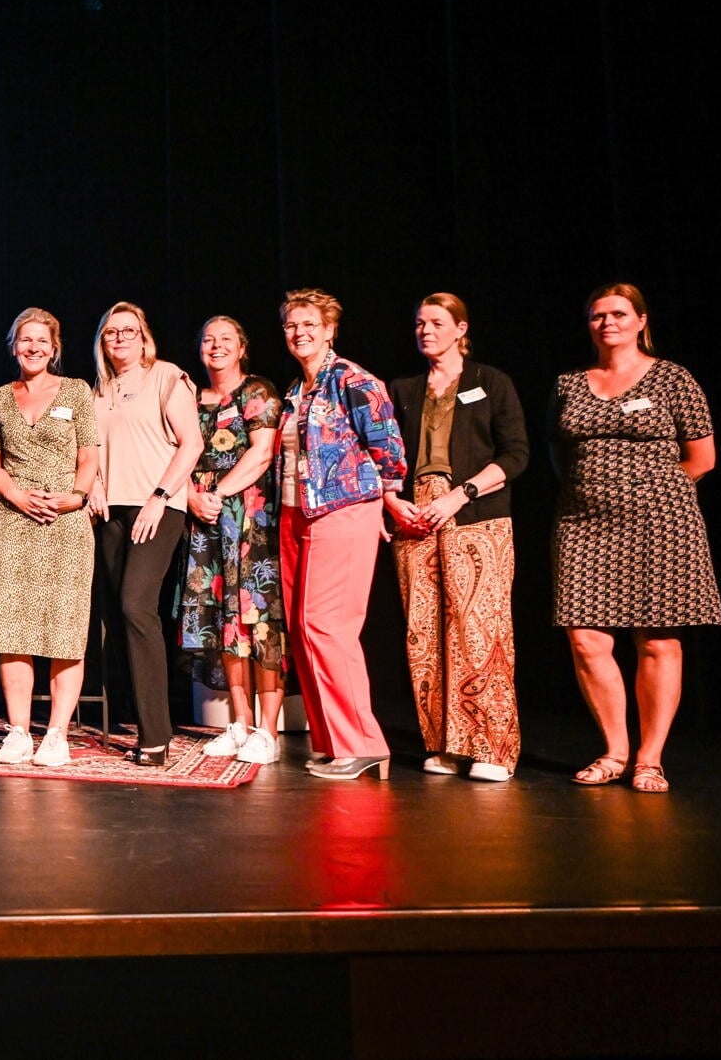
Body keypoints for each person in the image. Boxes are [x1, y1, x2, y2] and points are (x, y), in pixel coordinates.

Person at [552, 282, 719, 793]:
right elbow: (558, 454)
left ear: (641, 321)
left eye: (619, 314)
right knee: (586, 639)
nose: (609, 323)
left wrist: (651, 491)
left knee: (659, 640)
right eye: (598, 315)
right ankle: (615, 750)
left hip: (662, 525)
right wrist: (595, 491)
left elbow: (702, 458)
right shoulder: (569, 383)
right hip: (584, 525)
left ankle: (649, 758)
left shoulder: (674, 379)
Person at [387, 293, 528, 781]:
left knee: (477, 630)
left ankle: (491, 748)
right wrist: (393, 502)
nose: (426, 330)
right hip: (414, 515)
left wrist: (459, 495)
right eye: (419, 323)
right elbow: (380, 457)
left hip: (475, 513)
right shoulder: (402, 389)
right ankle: (445, 744)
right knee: (424, 633)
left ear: (461, 329)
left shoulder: (490, 382)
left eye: (437, 323)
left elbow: (516, 456)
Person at [277, 289, 407, 780]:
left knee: (328, 625)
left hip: (344, 508)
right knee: (302, 628)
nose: (300, 332)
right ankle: (333, 741)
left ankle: (363, 742)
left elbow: (389, 449)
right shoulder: (297, 389)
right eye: (291, 325)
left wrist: (381, 501)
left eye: (309, 323)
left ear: (330, 329)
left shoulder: (353, 380)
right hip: (296, 513)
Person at [0, 308, 100, 767]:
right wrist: (16, 495)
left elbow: (89, 456)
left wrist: (74, 498)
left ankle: (55, 734)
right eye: (24, 340)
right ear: (14, 346)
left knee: (65, 629)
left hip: (66, 522)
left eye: (41, 341)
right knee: (13, 629)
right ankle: (17, 732)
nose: (33, 348)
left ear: (54, 348)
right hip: (12, 521)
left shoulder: (76, 392)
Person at [88, 303, 202, 765]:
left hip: (157, 506)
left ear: (143, 336)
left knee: (137, 605)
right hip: (110, 508)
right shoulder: (98, 389)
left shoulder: (167, 376)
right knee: (118, 615)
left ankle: (157, 733)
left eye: (128, 331)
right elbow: (92, 448)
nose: (119, 338)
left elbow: (191, 443)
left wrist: (159, 496)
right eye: (111, 332)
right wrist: (92, 484)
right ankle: (142, 724)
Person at [178, 315, 286, 766]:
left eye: (225, 340)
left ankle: (268, 730)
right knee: (221, 620)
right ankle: (239, 723)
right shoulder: (190, 399)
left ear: (241, 348)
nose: (216, 346)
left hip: (249, 520)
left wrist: (217, 494)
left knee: (257, 618)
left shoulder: (256, 391)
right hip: (203, 520)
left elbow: (262, 453)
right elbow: (172, 455)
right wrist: (190, 498)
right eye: (208, 340)